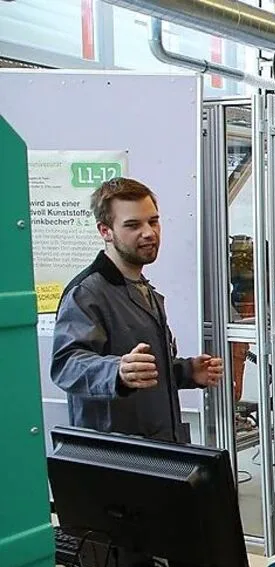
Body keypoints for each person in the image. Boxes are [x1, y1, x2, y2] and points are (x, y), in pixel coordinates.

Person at [51, 178, 223, 443]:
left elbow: (145, 371)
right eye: (133, 225)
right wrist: (116, 371)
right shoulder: (87, 293)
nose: (149, 233)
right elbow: (67, 364)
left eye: (153, 221)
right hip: (116, 456)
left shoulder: (145, 290)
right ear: (105, 231)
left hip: (160, 445)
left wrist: (187, 371)